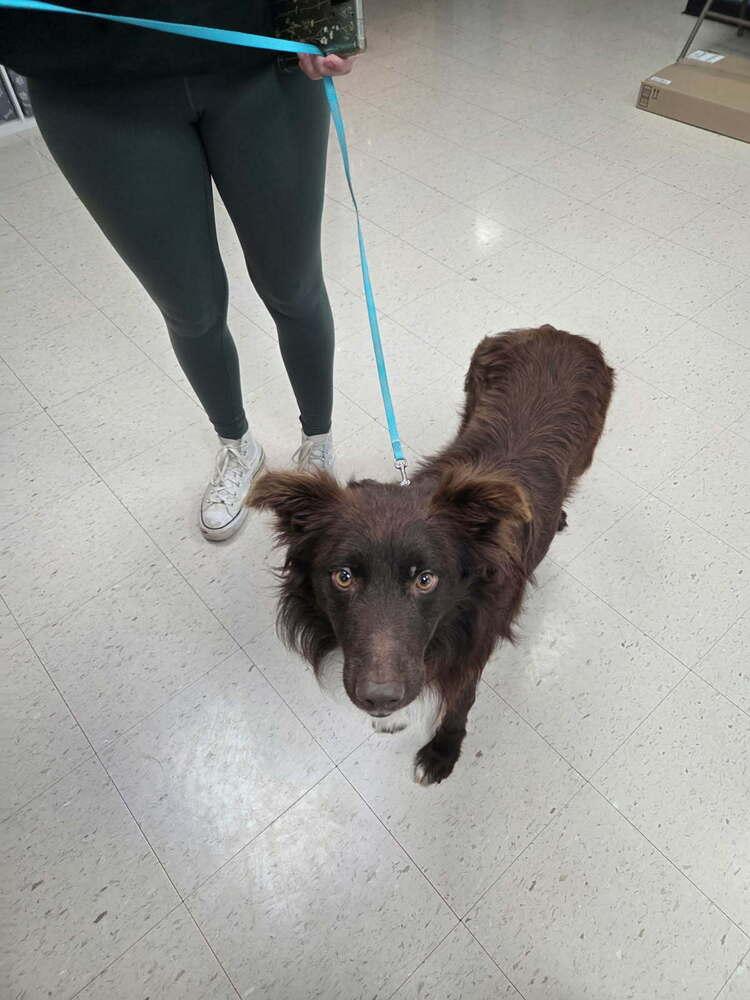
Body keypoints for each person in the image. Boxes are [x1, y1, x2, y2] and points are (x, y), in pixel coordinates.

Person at [0, 1, 354, 541]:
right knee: (190, 308)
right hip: (88, 77)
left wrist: (326, 14)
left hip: (261, 53)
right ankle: (238, 446)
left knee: (294, 285)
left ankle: (318, 442)